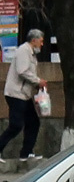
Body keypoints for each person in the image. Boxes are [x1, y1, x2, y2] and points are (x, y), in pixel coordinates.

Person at [1, 29, 48, 161]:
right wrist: (38, 81)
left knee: (33, 122)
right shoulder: (24, 51)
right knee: (16, 125)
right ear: (34, 40)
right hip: (16, 93)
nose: (42, 44)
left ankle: (26, 153)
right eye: (41, 41)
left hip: (24, 95)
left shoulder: (31, 53)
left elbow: (28, 72)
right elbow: (22, 71)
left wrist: (38, 83)